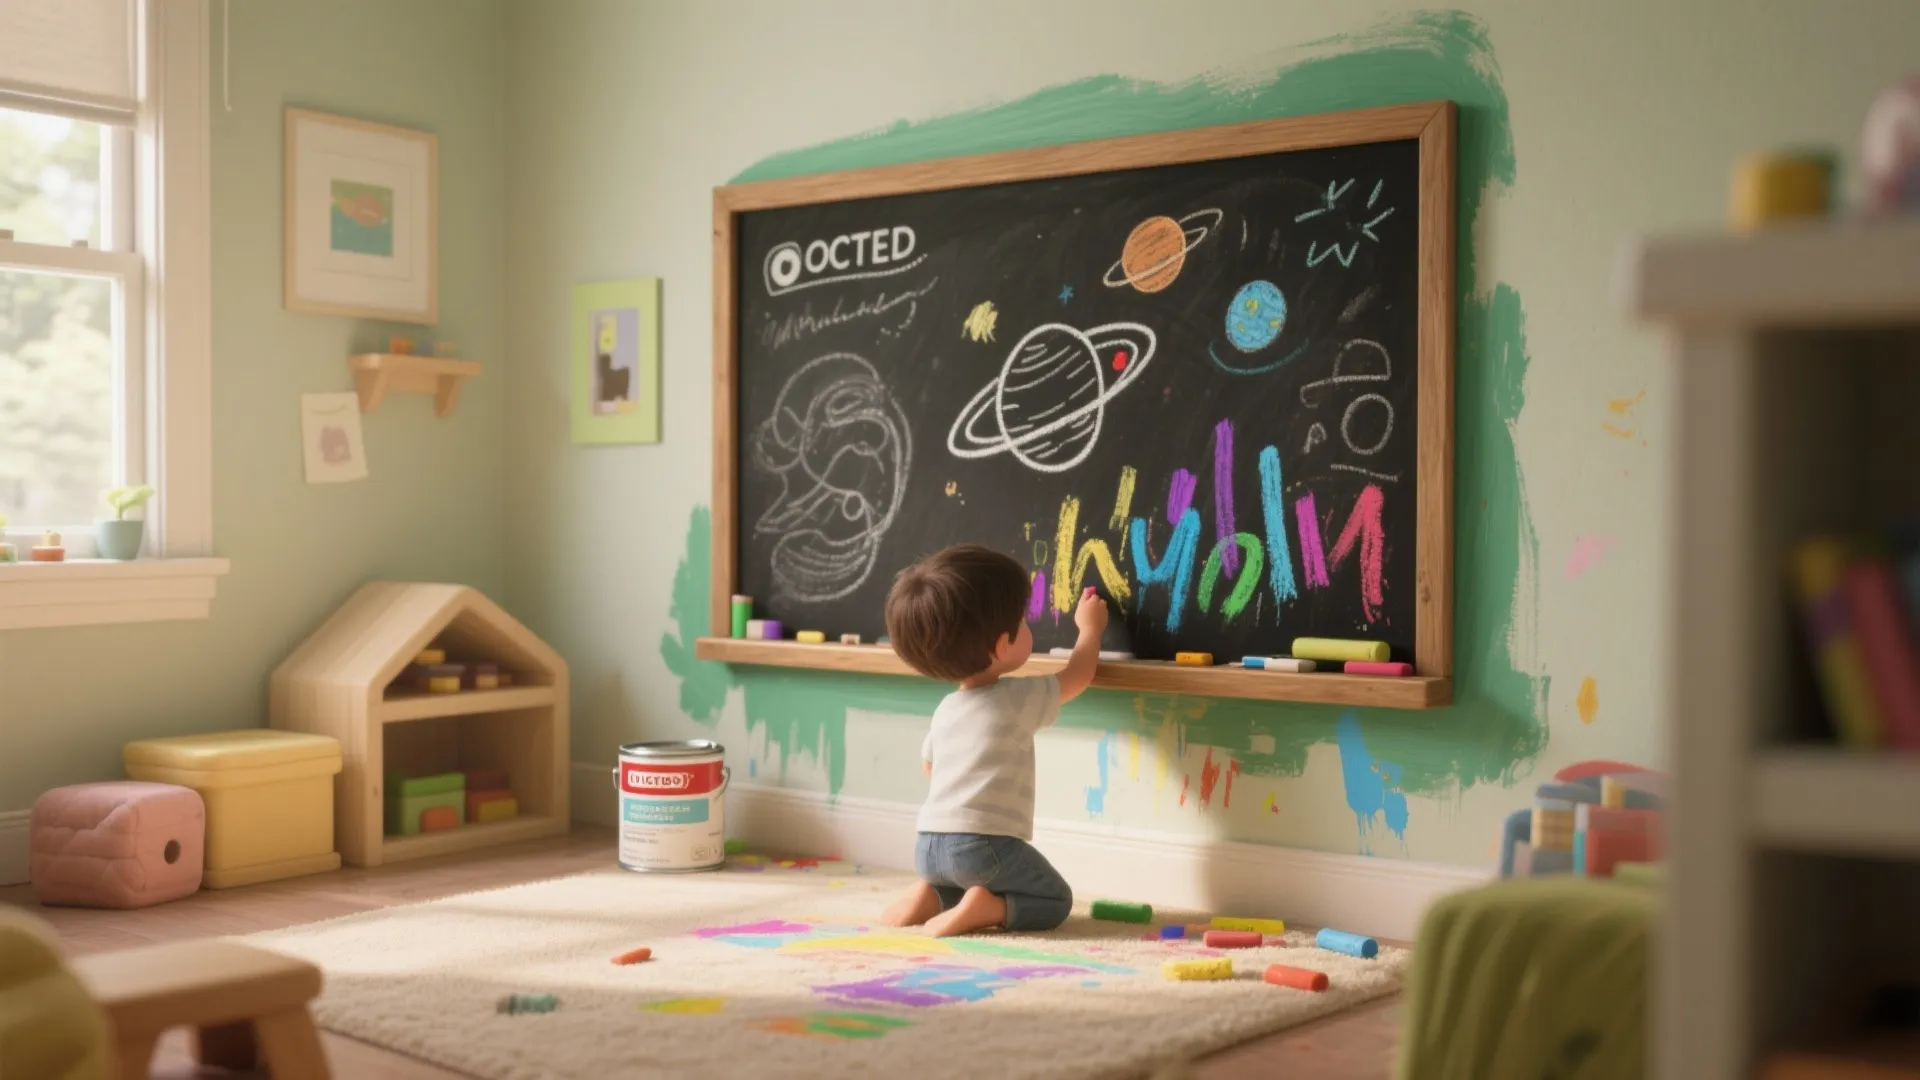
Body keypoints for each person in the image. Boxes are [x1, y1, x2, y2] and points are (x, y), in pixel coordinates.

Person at [877, 544, 1106, 936]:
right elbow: (1078, 675)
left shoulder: (947, 708)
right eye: (1023, 620)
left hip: (929, 846)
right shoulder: (1016, 698)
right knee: (1054, 899)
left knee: (962, 876)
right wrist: (1090, 629)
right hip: (981, 847)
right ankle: (990, 907)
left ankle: (932, 894)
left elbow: (930, 766)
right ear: (1003, 645)